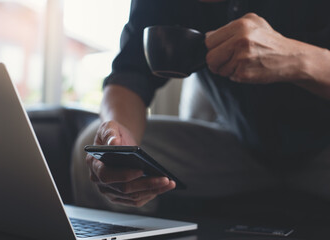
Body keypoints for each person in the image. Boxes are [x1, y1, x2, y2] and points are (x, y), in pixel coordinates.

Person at [71, 0, 330, 214]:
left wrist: (299, 60)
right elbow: (130, 75)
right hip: (238, 148)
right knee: (94, 154)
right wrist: (120, 147)